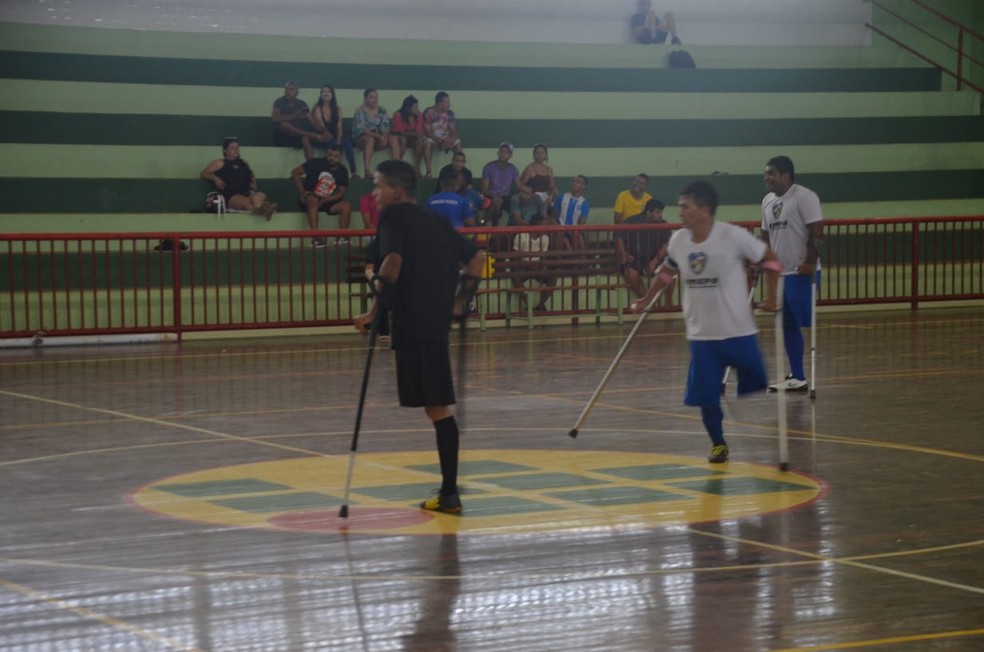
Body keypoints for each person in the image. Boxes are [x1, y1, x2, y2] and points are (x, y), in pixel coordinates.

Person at [354, 159, 486, 514]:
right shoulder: (437, 221)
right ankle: (448, 492)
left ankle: (450, 494)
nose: (374, 193)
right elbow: (477, 258)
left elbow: (392, 263)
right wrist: (460, 302)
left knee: (439, 409)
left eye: (378, 185)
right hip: (434, 323)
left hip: (414, 324)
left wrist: (373, 308)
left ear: (397, 191)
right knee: (436, 408)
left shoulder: (393, 217)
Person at [630, 181, 781, 464]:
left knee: (757, 378)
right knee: (706, 396)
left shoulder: (733, 236)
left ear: (704, 209)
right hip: (702, 335)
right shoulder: (678, 240)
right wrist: (645, 300)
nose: (680, 213)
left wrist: (772, 296)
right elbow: (666, 273)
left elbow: (770, 260)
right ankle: (718, 443)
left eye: (685, 207)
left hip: (739, 331)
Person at [761, 155, 823, 392]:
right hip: (781, 274)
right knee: (786, 324)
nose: (766, 178)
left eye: (771, 173)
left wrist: (810, 261)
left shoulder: (804, 197)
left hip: (801, 272)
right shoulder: (767, 201)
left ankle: (800, 375)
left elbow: (817, 232)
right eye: (766, 174)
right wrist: (760, 259)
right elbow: (765, 235)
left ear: (785, 175)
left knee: (799, 321)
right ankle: (797, 376)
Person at [291, 144, 353, 247]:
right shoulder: (315, 162)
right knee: (313, 200)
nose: (332, 158)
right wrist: (302, 191)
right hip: (309, 197)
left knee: (347, 206)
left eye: (335, 156)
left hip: (329, 200)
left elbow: (340, 193)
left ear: (341, 157)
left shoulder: (343, 170)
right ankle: (316, 238)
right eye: (330, 155)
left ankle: (342, 237)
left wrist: (326, 199)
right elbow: (295, 172)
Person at [200, 137, 277, 220]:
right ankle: (265, 209)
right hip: (231, 196)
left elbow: (252, 177)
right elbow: (204, 173)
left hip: (247, 192)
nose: (236, 150)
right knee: (246, 202)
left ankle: (260, 209)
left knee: (260, 195)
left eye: (237, 148)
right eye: (232, 148)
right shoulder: (219, 162)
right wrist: (215, 179)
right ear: (225, 151)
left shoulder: (244, 163)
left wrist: (253, 183)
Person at [616, 198, 670, 298]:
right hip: (634, 258)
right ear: (648, 212)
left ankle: (669, 304)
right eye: (657, 212)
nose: (660, 215)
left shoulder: (663, 224)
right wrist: (624, 253)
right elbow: (619, 237)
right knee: (630, 273)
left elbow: (665, 246)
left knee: (668, 277)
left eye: (661, 212)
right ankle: (646, 300)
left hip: (654, 258)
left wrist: (654, 262)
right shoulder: (632, 221)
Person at [310, 84, 358, 177]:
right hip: (321, 137)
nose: (326, 94)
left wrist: (338, 142)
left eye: (328, 92)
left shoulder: (338, 108)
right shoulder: (317, 108)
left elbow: (339, 127)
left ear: (332, 94)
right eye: (323, 92)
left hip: (335, 137)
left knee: (347, 143)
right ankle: (330, 172)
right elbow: (322, 128)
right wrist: (335, 143)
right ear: (320, 94)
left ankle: (354, 172)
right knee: (332, 143)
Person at [271, 80, 323, 161]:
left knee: (305, 137)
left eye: (291, 89)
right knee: (283, 124)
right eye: (286, 89)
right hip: (282, 138)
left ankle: (310, 165)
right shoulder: (279, 102)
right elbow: (274, 118)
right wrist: (294, 116)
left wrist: (310, 117)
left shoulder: (302, 104)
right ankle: (309, 134)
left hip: (297, 137)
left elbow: (316, 126)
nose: (287, 92)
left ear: (297, 92)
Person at [512, 213, 554, 312]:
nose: (546, 228)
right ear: (536, 225)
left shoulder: (545, 238)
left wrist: (539, 266)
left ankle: (540, 305)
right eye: (544, 225)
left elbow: (543, 258)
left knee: (553, 277)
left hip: (537, 266)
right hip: (523, 266)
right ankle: (529, 305)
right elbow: (516, 257)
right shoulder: (521, 236)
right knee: (515, 277)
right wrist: (528, 265)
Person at [352, 88, 395, 179]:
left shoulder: (382, 110)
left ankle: (397, 168)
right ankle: (367, 170)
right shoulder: (359, 110)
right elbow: (362, 129)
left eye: (376, 97)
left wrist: (384, 136)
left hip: (379, 138)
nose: (374, 100)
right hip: (363, 138)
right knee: (370, 139)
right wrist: (378, 136)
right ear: (365, 98)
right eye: (371, 97)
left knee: (393, 138)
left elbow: (386, 126)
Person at [481, 142, 523, 227]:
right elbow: (484, 190)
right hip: (490, 196)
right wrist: (494, 196)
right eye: (501, 151)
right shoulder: (489, 167)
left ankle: (482, 222)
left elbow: (519, 186)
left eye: (506, 152)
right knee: (497, 201)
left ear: (510, 156)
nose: (503, 154)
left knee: (511, 202)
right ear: (498, 152)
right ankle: (495, 228)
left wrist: (529, 191)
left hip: (506, 197)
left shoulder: (513, 168)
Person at [422, 91, 462, 174]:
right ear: (440, 103)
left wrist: (450, 141)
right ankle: (429, 171)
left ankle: (459, 171)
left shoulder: (450, 113)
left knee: (458, 143)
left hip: (446, 138)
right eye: (447, 102)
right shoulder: (429, 112)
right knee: (428, 143)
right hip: (433, 137)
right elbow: (428, 132)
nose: (449, 104)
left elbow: (453, 130)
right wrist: (440, 141)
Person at [391, 95, 426, 177]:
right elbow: (400, 131)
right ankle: (398, 165)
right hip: (399, 138)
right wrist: (414, 133)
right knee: (403, 139)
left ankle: (417, 167)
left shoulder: (419, 115)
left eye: (417, 106)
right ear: (407, 108)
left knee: (420, 140)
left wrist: (415, 132)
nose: (417, 109)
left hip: (412, 139)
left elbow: (418, 130)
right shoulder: (398, 115)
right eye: (415, 107)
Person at [553, 175, 590, 249]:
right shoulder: (561, 197)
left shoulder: (584, 203)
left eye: (577, 182)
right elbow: (553, 216)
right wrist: (558, 230)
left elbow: (582, 224)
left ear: (583, 186)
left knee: (580, 242)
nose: (574, 183)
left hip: (575, 232)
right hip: (560, 231)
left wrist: (575, 233)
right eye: (573, 181)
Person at [520, 143, 558, 209]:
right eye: (537, 152)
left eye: (542, 152)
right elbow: (521, 186)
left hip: (546, 197)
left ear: (546, 155)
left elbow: (551, 186)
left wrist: (554, 193)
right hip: (532, 197)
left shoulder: (549, 169)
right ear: (533, 155)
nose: (539, 155)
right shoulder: (530, 168)